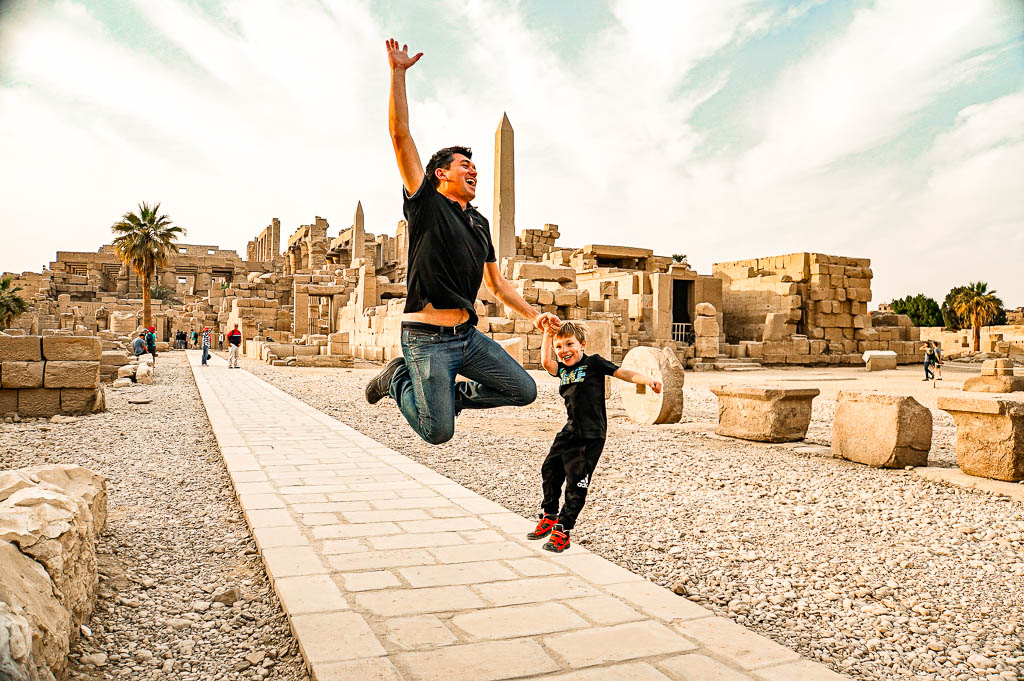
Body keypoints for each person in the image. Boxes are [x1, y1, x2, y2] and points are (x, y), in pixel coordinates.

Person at [363, 38, 560, 445]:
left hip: (466, 337)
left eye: (475, 166)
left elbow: (497, 285)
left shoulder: (481, 223)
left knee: (523, 390)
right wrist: (397, 74)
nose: (473, 170)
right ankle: (398, 377)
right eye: (464, 165)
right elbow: (400, 136)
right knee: (438, 433)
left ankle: (450, 394)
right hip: (425, 337)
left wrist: (534, 316)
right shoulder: (427, 204)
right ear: (440, 175)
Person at [527, 321, 663, 553]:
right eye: (559, 346)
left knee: (575, 483)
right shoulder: (563, 369)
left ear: (582, 344)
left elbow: (624, 373)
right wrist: (547, 336)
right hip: (569, 431)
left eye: (569, 344)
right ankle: (549, 515)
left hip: (590, 435)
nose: (564, 351)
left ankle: (563, 529)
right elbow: (546, 362)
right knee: (549, 471)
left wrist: (648, 380)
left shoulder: (594, 363)